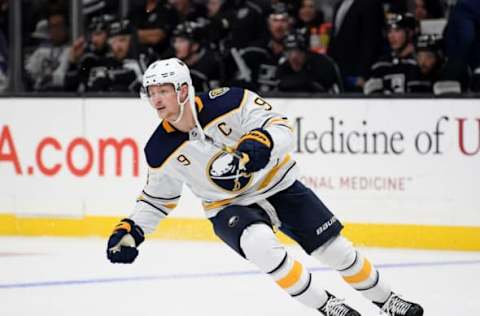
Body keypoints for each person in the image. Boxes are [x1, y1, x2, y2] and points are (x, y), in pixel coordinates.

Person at [106, 57, 424, 316]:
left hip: (278, 184)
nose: (156, 99)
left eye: (164, 90)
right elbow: (156, 200)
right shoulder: (159, 149)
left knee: (337, 251)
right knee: (260, 244)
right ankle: (328, 306)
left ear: (184, 90)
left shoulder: (230, 100)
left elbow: (280, 126)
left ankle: (387, 301)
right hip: (228, 207)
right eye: (151, 92)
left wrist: (261, 144)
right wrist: (131, 231)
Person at [327, 0, 384, 92]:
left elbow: (372, 42)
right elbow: (335, 39)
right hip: (339, 73)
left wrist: (363, 74)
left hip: (357, 74)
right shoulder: (339, 5)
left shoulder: (369, 4)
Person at [363, 12, 420, 95]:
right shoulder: (380, 64)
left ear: (410, 33)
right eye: (389, 31)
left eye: (397, 30)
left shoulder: (421, 63)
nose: (391, 36)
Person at [277, 29, 343, 93]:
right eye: (289, 52)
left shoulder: (323, 65)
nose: (293, 57)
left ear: (306, 52)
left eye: (298, 51)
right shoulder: (284, 67)